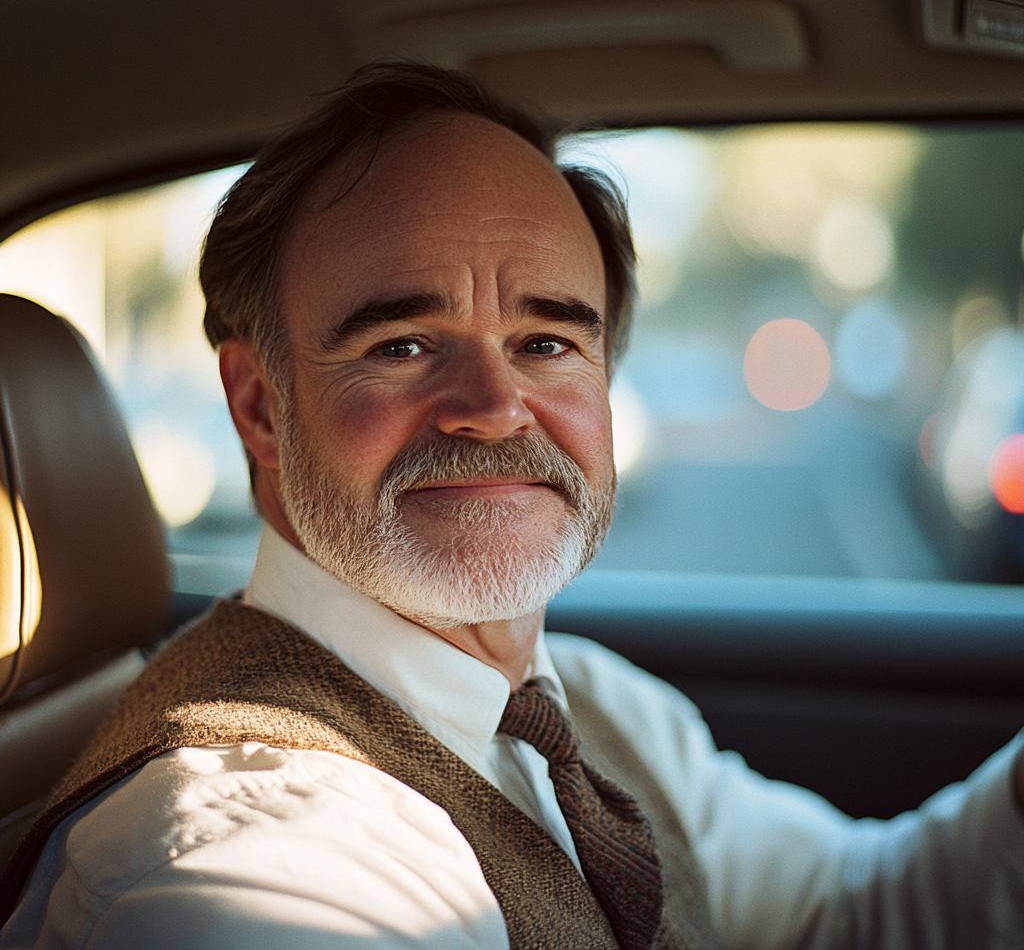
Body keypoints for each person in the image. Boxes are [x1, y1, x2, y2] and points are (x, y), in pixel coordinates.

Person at [1, 62, 1022, 950]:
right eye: (401, 345)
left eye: (547, 342)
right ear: (261, 406)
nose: (493, 409)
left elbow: (844, 913)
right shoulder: (247, 857)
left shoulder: (583, 703)